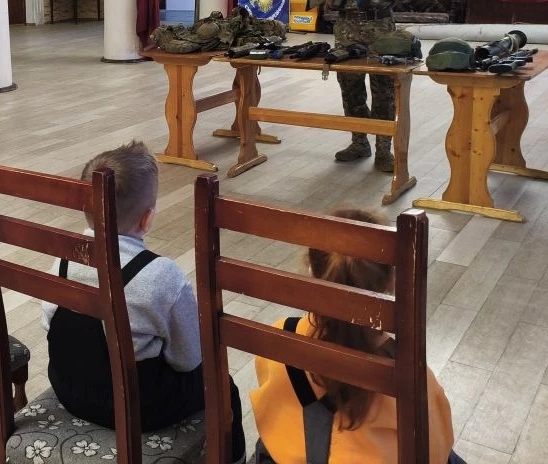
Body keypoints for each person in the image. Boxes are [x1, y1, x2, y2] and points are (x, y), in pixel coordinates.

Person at [42, 140, 246, 458]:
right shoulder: (160, 276)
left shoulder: (63, 258)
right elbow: (189, 358)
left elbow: (49, 324)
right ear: (146, 218)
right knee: (224, 385)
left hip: (69, 388)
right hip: (141, 409)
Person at [250, 208, 462, 464]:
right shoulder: (412, 377)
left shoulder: (278, 337)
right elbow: (436, 450)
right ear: (392, 281)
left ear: (311, 274)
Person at [319, 0, 415, 172]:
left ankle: (384, 150)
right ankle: (359, 142)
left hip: (382, 30)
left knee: (384, 90)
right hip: (347, 31)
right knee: (350, 89)